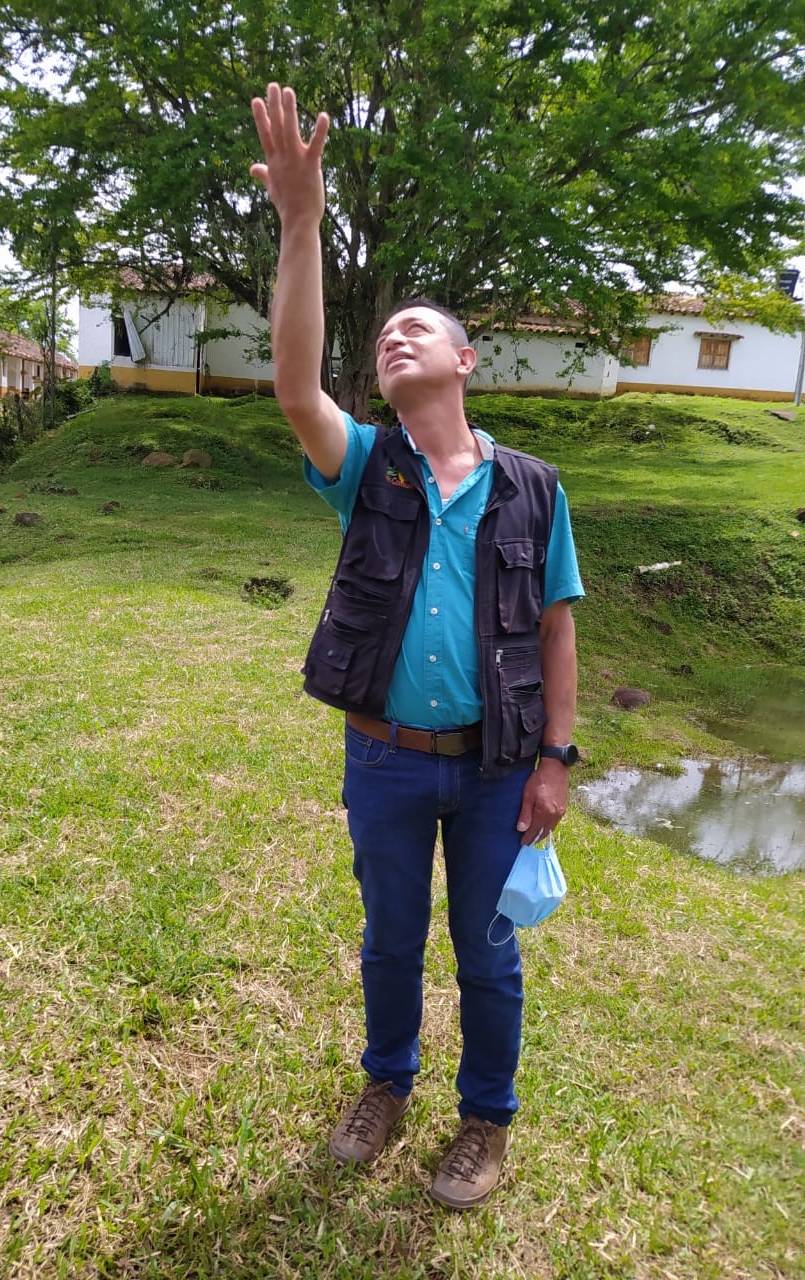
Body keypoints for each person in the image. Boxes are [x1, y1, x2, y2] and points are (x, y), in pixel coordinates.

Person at [250, 83, 584, 1210]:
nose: (395, 335)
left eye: (419, 327)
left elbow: (555, 624)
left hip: (497, 765)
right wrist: (303, 224)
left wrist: (556, 759)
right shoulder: (370, 468)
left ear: (466, 358)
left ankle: (485, 1121)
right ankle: (384, 1088)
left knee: (489, 953)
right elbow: (298, 385)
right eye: (385, 330)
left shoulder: (535, 488)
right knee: (392, 942)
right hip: (385, 756)